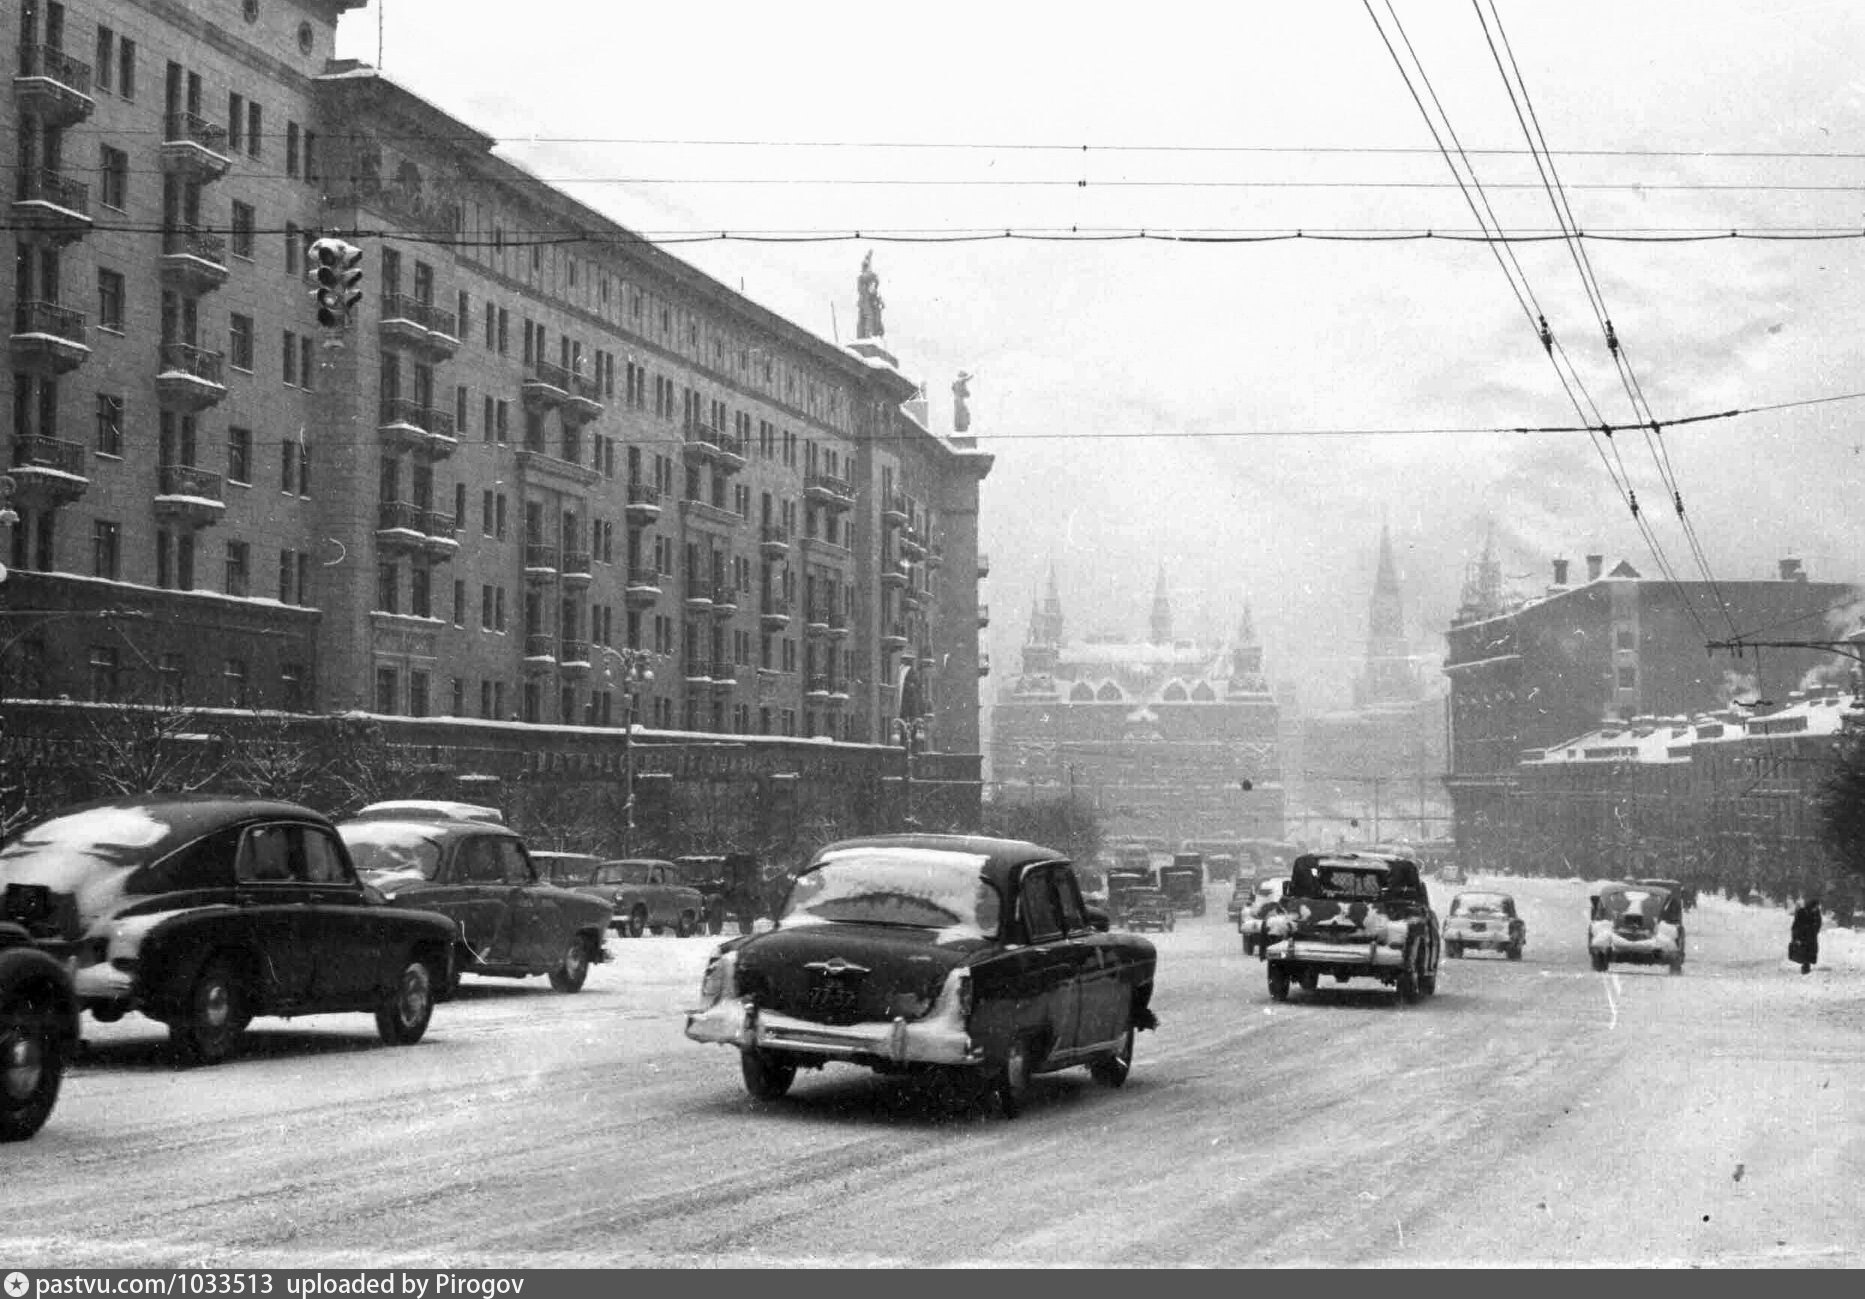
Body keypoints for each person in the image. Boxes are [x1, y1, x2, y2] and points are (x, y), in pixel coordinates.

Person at [1789, 896, 1822, 975]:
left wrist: (1814, 930)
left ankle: (1807, 966)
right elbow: (1796, 924)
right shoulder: (1802, 912)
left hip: (1811, 936)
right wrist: (1796, 936)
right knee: (1804, 951)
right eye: (1816, 906)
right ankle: (1806, 967)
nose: (1816, 908)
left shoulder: (1816, 913)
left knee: (1810, 952)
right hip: (1802, 935)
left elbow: (1818, 923)